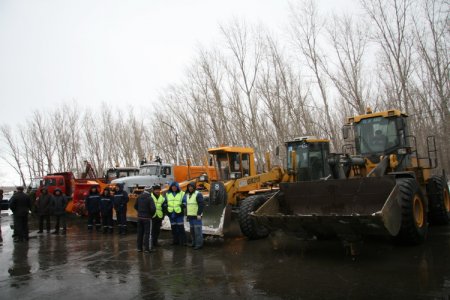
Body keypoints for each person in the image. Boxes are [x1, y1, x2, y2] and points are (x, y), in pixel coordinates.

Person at [163, 181, 186, 245]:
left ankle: (183, 241)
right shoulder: (167, 194)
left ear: (177, 187)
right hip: (171, 213)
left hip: (179, 213)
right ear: (171, 187)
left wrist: (183, 205)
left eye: (175, 187)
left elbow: (185, 201)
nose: (174, 188)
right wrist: (165, 206)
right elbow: (165, 202)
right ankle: (175, 241)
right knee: (174, 228)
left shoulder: (182, 193)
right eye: (173, 186)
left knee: (180, 227)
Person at [182, 182, 204, 250]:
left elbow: (201, 204)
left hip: (196, 217)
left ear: (194, 187)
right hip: (190, 216)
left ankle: (199, 244)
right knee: (192, 231)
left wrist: (199, 214)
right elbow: (188, 205)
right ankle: (194, 243)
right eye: (189, 187)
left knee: (198, 231)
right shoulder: (188, 195)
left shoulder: (198, 194)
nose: (190, 188)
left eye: (191, 187)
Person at [134, 186, 156, 253]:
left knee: (140, 233)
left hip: (140, 217)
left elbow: (135, 206)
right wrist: (151, 215)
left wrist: (140, 212)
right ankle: (148, 248)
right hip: (147, 218)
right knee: (148, 233)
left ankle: (139, 248)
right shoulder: (150, 198)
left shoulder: (139, 197)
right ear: (150, 190)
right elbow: (153, 209)